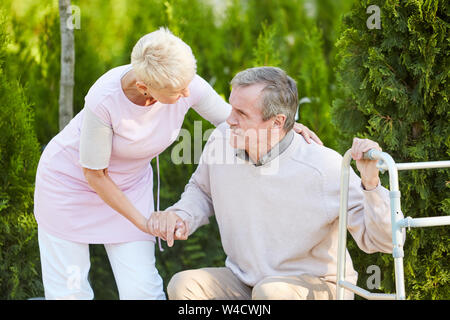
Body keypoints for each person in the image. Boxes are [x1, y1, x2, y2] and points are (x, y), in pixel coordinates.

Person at [34, 29, 321, 300]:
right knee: (70, 291)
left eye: (188, 85)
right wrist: (144, 222)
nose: (188, 94)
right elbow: (95, 175)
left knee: (142, 287)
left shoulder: (185, 83)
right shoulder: (104, 100)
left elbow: (228, 119)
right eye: (179, 91)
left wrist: (282, 127)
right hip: (69, 188)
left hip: (130, 187)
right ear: (144, 87)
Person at [148, 66, 404, 300]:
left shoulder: (322, 166)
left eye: (241, 113)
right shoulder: (221, 141)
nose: (229, 120)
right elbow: (202, 192)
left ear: (276, 122)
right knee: (184, 286)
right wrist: (181, 216)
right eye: (231, 108)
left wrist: (371, 183)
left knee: (271, 293)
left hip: (316, 285)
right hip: (246, 282)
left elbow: (382, 240)